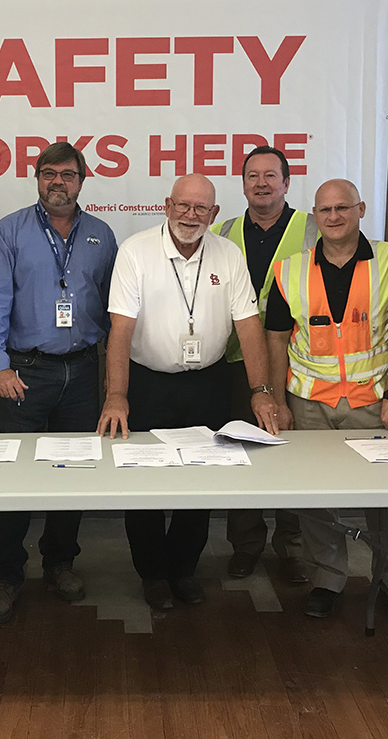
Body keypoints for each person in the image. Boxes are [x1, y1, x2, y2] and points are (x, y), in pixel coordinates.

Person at [98, 174, 279, 611]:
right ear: (167, 205)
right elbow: (120, 329)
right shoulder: (136, 251)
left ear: (214, 214)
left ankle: (183, 569)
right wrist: (116, 394)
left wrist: (261, 390)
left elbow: (249, 326)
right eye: (183, 205)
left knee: (201, 481)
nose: (190, 215)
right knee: (143, 483)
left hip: (207, 385)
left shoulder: (228, 254)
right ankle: (152, 574)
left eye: (201, 208)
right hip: (147, 384)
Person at [0, 142, 118, 623]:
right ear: (37, 178)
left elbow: (110, 305)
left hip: (81, 371)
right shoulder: (9, 231)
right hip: (24, 374)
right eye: (49, 174)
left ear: (83, 180)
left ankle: (60, 563)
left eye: (68, 175)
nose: (58, 182)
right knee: (12, 479)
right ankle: (6, 575)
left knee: (69, 473)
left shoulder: (101, 235)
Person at [264, 178, 388, 619]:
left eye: (342, 208)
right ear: (315, 216)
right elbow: (275, 341)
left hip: (373, 400)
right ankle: (328, 578)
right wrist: (278, 402)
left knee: (387, 496)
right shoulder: (290, 269)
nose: (333, 217)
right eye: (325, 210)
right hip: (309, 402)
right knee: (314, 498)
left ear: (361, 209)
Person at [211, 145, 318, 583]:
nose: (261, 183)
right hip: (235, 363)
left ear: (287, 183)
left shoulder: (312, 229)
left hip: (298, 361)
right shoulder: (222, 231)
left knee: (289, 453)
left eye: (270, 176)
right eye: (252, 176)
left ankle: (291, 547)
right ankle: (246, 544)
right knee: (242, 453)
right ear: (242, 184)